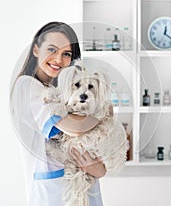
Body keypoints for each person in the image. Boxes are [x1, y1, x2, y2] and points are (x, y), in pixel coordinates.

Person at [10, 22, 106, 206]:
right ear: (36, 50)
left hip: (88, 191)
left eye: (66, 54)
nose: (58, 59)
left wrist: (98, 168)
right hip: (54, 194)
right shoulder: (27, 86)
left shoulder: (69, 90)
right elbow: (76, 128)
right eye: (52, 50)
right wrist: (103, 115)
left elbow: (99, 160)